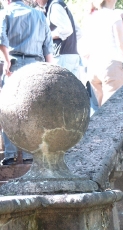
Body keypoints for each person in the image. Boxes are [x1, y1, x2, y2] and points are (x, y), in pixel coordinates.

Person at [0, 0, 53, 165]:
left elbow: (1, 39)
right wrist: (50, 72)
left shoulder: (6, 13)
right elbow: (48, 47)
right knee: (34, 112)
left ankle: (10, 155)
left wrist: (7, 61)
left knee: (9, 111)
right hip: (37, 65)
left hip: (14, 66)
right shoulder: (39, 15)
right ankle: (31, 155)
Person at [82, 0, 123, 106]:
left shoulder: (91, 17)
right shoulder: (114, 16)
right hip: (111, 65)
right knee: (112, 108)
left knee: (101, 108)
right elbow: (121, 44)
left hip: (93, 67)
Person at [36, 0, 81, 78]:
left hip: (61, 56)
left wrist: (46, 36)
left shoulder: (55, 6)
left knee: (60, 89)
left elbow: (66, 29)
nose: (35, 1)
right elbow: (78, 32)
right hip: (73, 55)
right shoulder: (60, 4)